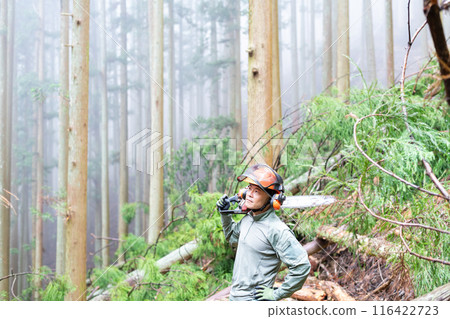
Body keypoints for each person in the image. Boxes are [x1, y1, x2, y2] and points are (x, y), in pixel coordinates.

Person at [216, 164, 311, 301]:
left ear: (272, 199)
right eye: (249, 188)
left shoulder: (277, 230)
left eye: (256, 191)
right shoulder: (248, 219)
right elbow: (232, 238)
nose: (249, 194)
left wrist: (277, 294)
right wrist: (225, 214)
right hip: (235, 297)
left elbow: (302, 266)